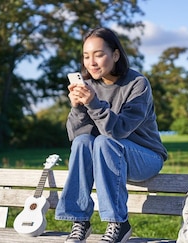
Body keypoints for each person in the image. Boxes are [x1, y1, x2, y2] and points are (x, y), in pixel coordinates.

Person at [55, 27, 168, 243]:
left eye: (99, 54)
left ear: (115, 55)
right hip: (106, 154)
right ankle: (80, 220)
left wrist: (93, 103)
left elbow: (118, 131)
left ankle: (119, 223)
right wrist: (78, 107)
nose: (92, 62)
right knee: (82, 142)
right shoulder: (88, 86)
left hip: (145, 157)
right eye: (86, 56)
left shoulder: (137, 84)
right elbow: (76, 136)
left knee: (105, 142)